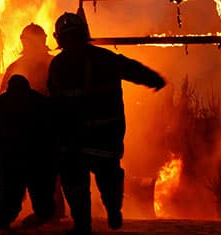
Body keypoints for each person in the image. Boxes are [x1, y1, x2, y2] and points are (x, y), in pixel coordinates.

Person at [47, 13, 166, 234]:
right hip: (104, 135)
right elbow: (131, 68)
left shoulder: (58, 64)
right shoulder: (104, 58)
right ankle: (110, 212)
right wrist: (153, 79)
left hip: (77, 138)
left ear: (58, 39)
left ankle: (88, 222)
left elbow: (53, 102)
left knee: (77, 182)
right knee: (103, 177)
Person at [0, 23, 67, 221]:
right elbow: (4, 98)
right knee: (25, 174)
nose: (27, 44)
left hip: (48, 131)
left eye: (30, 40)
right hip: (23, 133)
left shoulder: (55, 66)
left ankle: (53, 213)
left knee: (50, 174)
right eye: (26, 40)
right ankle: (41, 212)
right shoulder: (15, 68)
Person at [0, 74, 57, 230]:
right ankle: (44, 213)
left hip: (10, 158)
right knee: (41, 190)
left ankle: (3, 219)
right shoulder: (42, 102)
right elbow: (54, 127)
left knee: (9, 189)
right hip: (38, 158)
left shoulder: (0, 103)